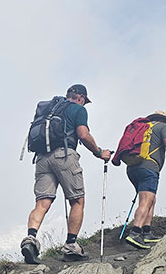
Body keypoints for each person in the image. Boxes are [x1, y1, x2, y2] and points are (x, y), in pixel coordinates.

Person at [20, 84, 111, 264]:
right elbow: (83, 135)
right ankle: (71, 247)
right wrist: (99, 152)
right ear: (80, 98)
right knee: (77, 200)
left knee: (42, 202)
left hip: (42, 159)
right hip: (64, 155)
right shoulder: (78, 110)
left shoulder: (49, 111)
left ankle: (30, 240)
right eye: (84, 101)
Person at [122, 111, 166, 249]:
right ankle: (135, 233)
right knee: (146, 200)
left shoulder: (144, 127)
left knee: (151, 199)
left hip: (132, 168)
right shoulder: (163, 126)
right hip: (149, 167)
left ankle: (147, 232)